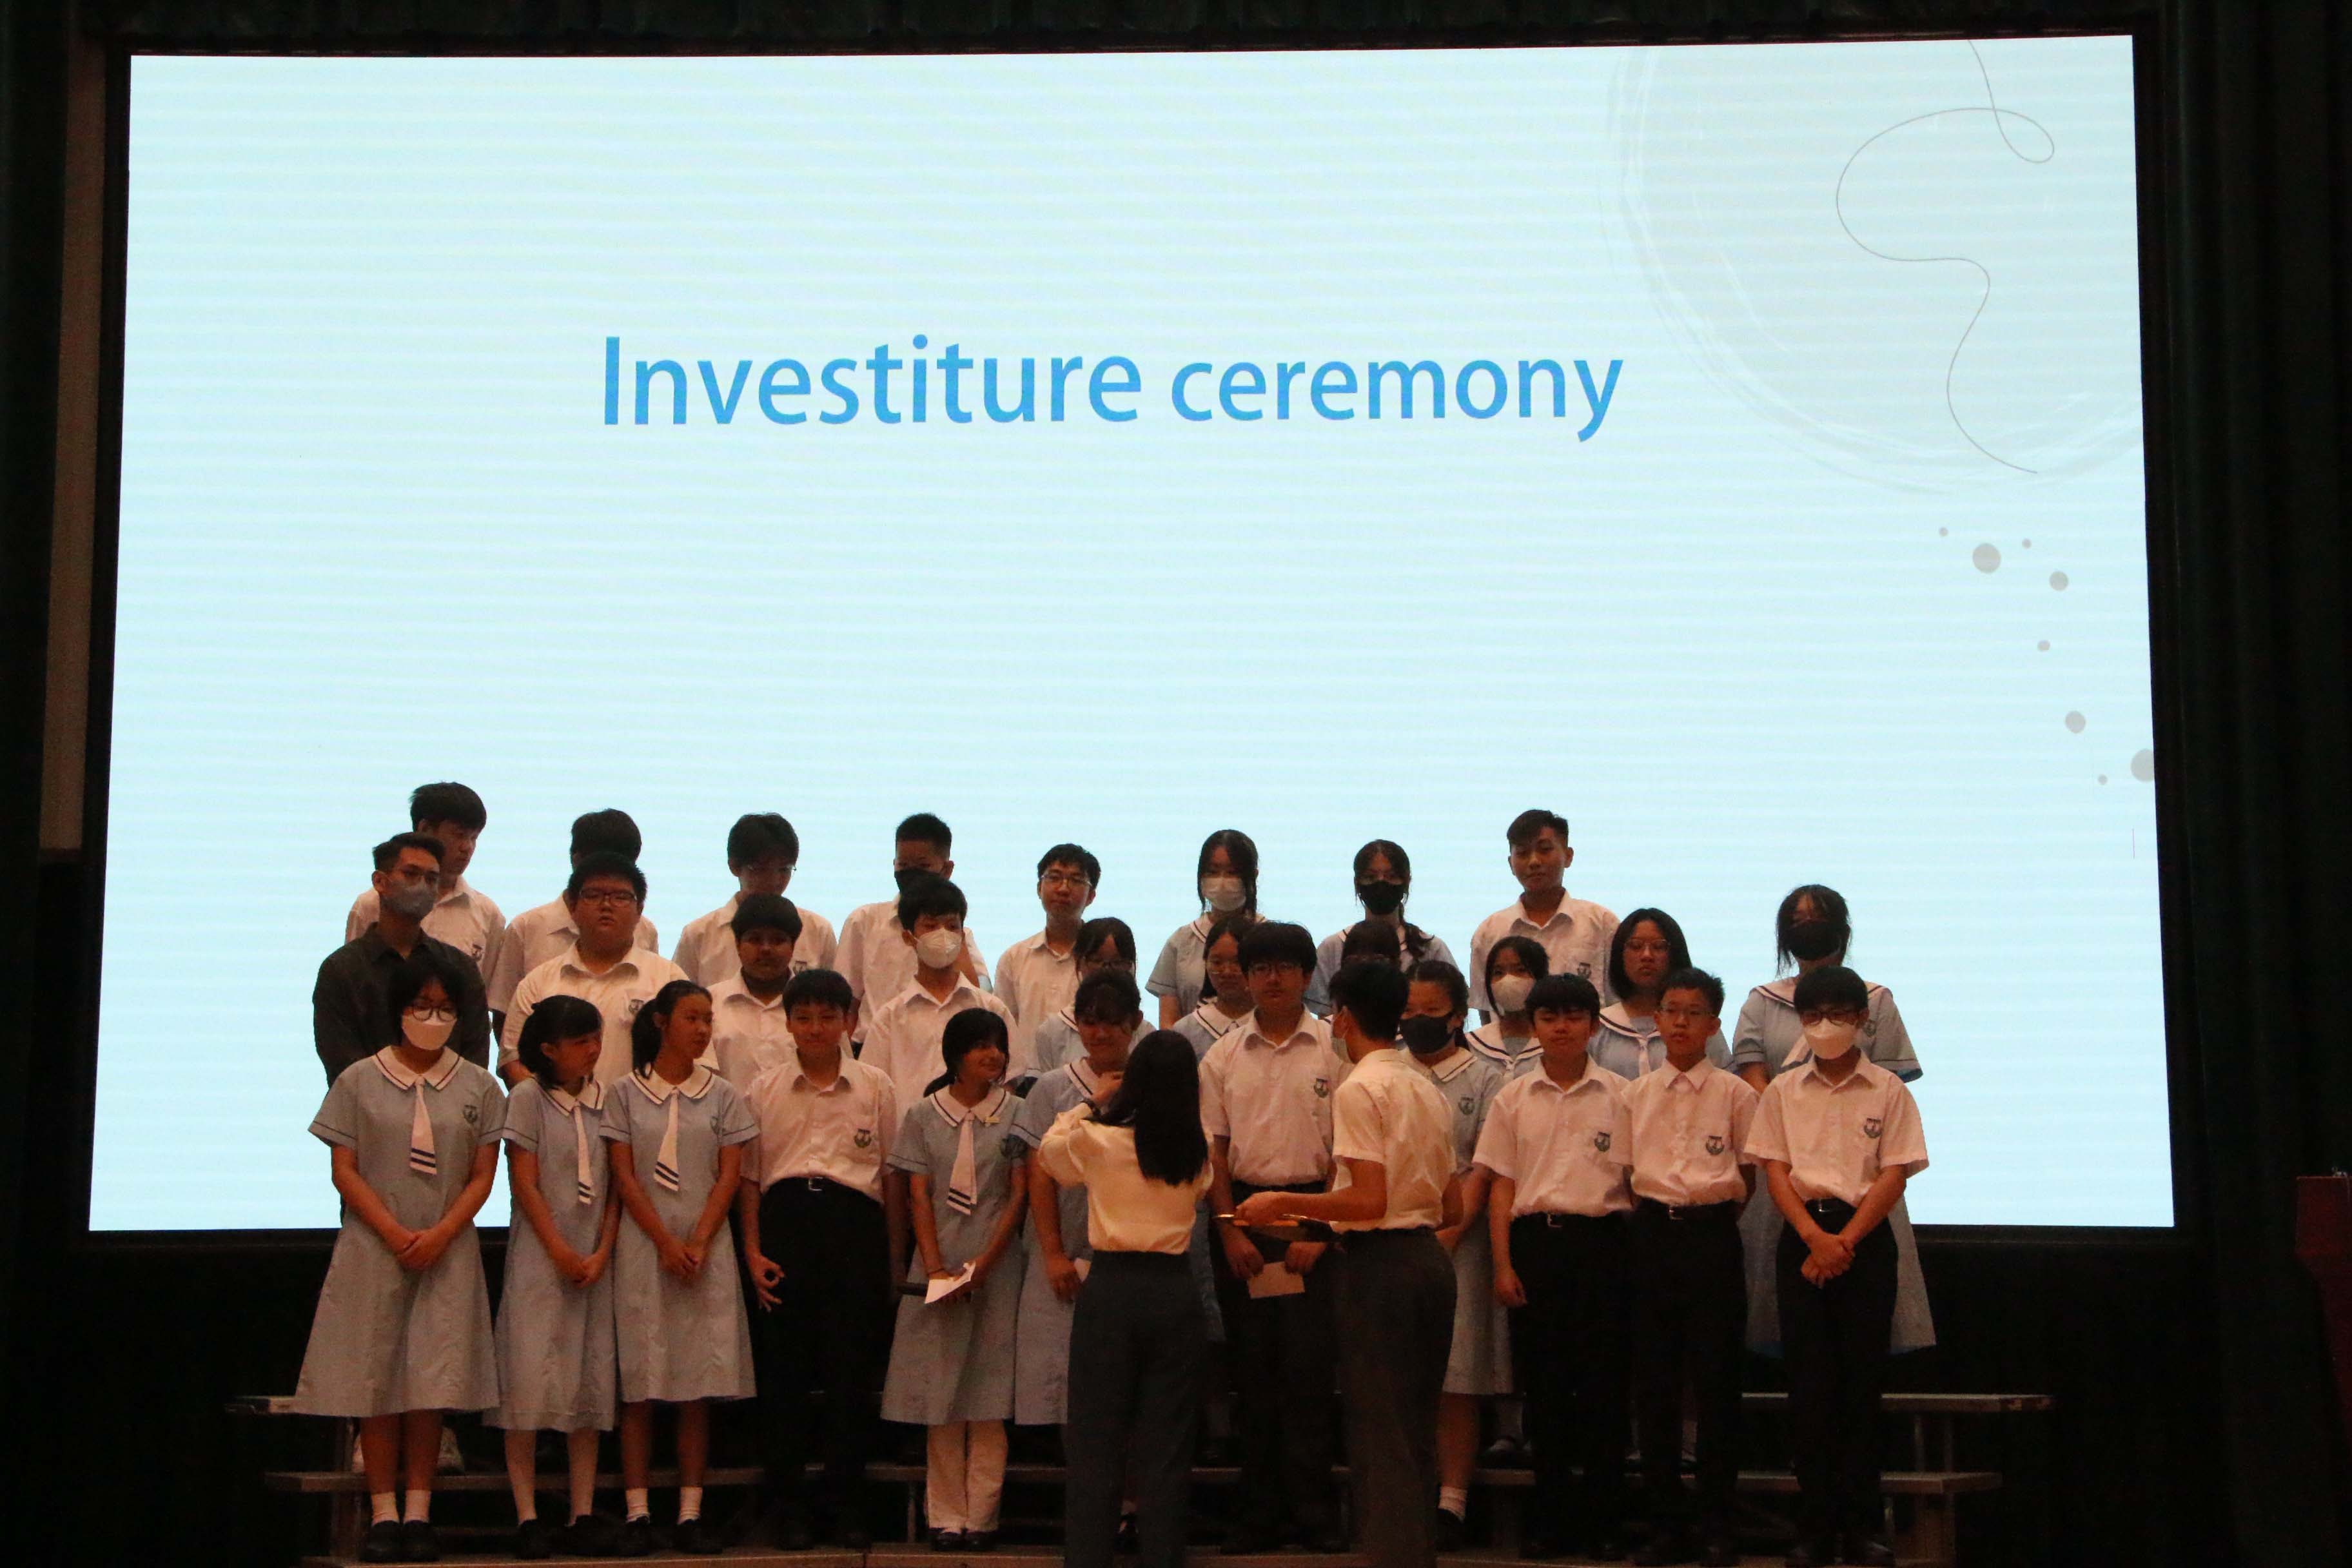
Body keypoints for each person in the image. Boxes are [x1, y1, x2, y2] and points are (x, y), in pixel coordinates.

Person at [1237, 961, 1459, 1568]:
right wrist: (1322, 1219)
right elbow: (1452, 1206)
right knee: (1414, 1430)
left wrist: (1282, 1203)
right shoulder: (1425, 1086)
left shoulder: (1360, 1087)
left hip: (1381, 1266)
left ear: (1345, 1018)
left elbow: (1368, 1200)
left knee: (1380, 1432)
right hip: (1428, 1261)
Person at [289, 948, 505, 1565]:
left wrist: (440, 1233)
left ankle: (419, 1514)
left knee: (430, 1384)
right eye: (420, 1005)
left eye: (444, 1008)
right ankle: (382, 1513)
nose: (432, 1017)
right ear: (398, 1010)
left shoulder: (479, 1086)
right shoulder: (359, 1080)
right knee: (376, 1379)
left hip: (447, 1247)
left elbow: (482, 1176)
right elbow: (344, 1170)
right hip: (373, 1247)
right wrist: (390, 1230)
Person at [1743, 965, 1929, 1568]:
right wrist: (1813, 1238)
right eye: (1813, 1015)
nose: (1825, 1026)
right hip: (1802, 1237)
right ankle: (1816, 1528)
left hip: (1863, 1240)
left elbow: (1895, 1173)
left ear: (1862, 1020)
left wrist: (1843, 1242)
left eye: (1839, 1015)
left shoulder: (1888, 1090)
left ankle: (1862, 1527)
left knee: (1860, 1389)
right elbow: (1775, 1171)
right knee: (1810, 1390)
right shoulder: (1782, 1091)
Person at [1730, 886, 1933, 1356]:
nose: (1808, 927)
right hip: (1789, 1173)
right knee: (1796, 1318)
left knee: (1864, 1329)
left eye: (1818, 918)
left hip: (1864, 1179)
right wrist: (1793, 1123)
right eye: (1797, 921)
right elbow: (1751, 1072)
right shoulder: (1762, 1000)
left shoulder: (1876, 999)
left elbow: (1889, 1081)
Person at [1039, 1032, 1217, 1568]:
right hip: (1173, 1290)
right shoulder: (1198, 1147)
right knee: (1167, 1445)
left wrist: (1092, 1102)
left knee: (1096, 1439)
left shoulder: (1100, 1138)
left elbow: (1051, 1157)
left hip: (1113, 1288)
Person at [738, 968, 900, 1550]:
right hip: (784, 1227)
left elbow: (890, 1177)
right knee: (784, 1376)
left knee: (849, 1376)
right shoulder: (763, 1089)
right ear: (787, 1023)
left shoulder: (876, 1086)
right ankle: (788, 1508)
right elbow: (750, 1180)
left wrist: (894, 1261)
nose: (815, 1028)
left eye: (828, 1017)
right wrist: (752, 1251)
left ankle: (845, 1505)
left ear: (849, 1022)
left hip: (855, 1229)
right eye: (803, 1017)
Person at [1475, 972, 1633, 1560]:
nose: (1561, 1027)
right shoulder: (1513, 1098)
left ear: (1594, 1026)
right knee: (1545, 1392)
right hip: (1535, 1248)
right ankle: (1552, 1522)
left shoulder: (1623, 1095)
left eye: (1573, 1017)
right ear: (1534, 1026)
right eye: (1549, 1017)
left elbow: (1637, 1184)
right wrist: (1502, 1264)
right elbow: (1500, 1186)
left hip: (1604, 1247)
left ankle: (1605, 1524)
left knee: (1604, 1391)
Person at [1199, 920, 1344, 1554]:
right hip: (1247, 1228)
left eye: (1285, 967)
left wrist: (1322, 1229)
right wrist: (1230, 1232)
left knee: (1310, 1379)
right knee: (1253, 1380)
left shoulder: (1335, 1047)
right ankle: (1257, 1516)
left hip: (1315, 1222)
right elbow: (1214, 1150)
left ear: (1308, 974)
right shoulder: (1223, 1055)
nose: (1273, 978)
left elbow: (1351, 1148)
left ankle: (1314, 1515)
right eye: (1261, 968)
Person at [603, 980, 758, 1556]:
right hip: (644, 1248)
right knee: (640, 1384)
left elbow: (729, 1174)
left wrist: (697, 1239)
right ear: (661, 1022)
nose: (702, 1029)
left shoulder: (722, 1095)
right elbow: (624, 1175)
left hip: (704, 1251)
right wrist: (664, 1242)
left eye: (708, 1019)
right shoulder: (624, 1093)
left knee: (696, 1385)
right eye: (691, 1018)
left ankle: (691, 1512)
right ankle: (638, 1512)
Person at [1620, 968, 1758, 1568]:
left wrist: (1706, 1214)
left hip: (1712, 1238)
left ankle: (1717, 1522)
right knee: (1655, 1385)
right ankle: (1666, 1525)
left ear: (1713, 1024)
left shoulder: (1737, 1095)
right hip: (1652, 1236)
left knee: (1717, 1383)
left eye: (1693, 1012)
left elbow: (1748, 1175)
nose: (1680, 1022)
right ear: (1656, 1019)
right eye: (1671, 1010)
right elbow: (1628, 1174)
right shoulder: (1635, 1095)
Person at [880, 1008, 1029, 1551]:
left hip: (998, 1268)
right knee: (940, 1396)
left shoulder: (1018, 1113)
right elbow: (917, 1194)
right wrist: (937, 1266)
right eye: (980, 1045)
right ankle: (945, 1518)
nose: (993, 1055)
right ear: (955, 1054)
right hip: (937, 1266)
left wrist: (985, 1264)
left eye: (998, 1045)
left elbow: (1019, 1194)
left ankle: (982, 1519)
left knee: (989, 1398)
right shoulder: (923, 1114)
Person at [491, 995, 623, 1560]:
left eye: (597, 1038)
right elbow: (524, 1181)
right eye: (580, 1041)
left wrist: (600, 1251)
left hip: (594, 1260)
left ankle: (582, 1512)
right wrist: (560, 1250)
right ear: (548, 1049)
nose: (593, 1049)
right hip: (540, 1259)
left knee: (587, 1382)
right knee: (527, 1380)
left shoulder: (607, 1099)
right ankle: (526, 1515)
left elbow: (618, 1186)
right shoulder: (527, 1098)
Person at [1399, 958, 1508, 1548]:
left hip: (1460, 1243)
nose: (1417, 1021)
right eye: (1408, 1011)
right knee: (1400, 1372)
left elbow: (1484, 1168)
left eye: (1431, 1011)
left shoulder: (1487, 1078)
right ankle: (1406, 1494)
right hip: (1393, 1239)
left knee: (1457, 1374)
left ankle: (1453, 1501)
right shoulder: (1386, 1072)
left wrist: (1447, 1236)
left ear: (1458, 1016)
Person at [1014, 970, 1142, 1434]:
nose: (1100, 1033)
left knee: (1122, 1383)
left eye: (1111, 1022)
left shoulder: (1150, 1085)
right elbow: (1039, 1173)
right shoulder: (1052, 1088)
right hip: (1063, 1247)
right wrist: (1052, 1253)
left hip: (1128, 1253)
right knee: (1061, 1375)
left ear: (1135, 1022)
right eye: (1089, 1022)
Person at [316, 833, 493, 1083]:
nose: (423, 886)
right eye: (411, 874)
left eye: (432, 879)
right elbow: (341, 1060)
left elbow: (475, 1057)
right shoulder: (342, 969)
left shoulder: (460, 967)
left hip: (449, 1103)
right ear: (380, 881)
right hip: (365, 1103)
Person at [499, 854, 687, 1090]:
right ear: (572, 907)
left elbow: (691, 1060)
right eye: (593, 895)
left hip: (645, 1113)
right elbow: (514, 1062)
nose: (606, 905)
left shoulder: (668, 980)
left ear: (639, 910)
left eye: (621, 897)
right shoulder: (538, 982)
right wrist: (563, 1106)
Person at [859, 874, 1014, 1110]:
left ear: (962, 936)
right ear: (908, 937)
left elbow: (1010, 1080)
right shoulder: (890, 1017)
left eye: (952, 926)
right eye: (930, 926)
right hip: (910, 1130)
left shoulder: (990, 1009)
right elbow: (872, 1089)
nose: (942, 935)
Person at [487, 809, 661, 1015]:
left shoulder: (645, 930)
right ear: (577, 860)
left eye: (626, 865)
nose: (616, 875)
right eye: (603, 866)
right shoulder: (527, 928)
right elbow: (504, 1011)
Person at [838, 813, 990, 1039]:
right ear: (894, 864)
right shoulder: (864, 921)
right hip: (873, 1045)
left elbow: (978, 995)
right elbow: (846, 1003)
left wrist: (954, 938)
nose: (911, 873)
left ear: (946, 870)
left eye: (922, 865)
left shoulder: (958, 932)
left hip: (938, 1046)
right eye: (903, 865)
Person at [343, 782, 506, 977]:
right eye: (460, 835)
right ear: (425, 829)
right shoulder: (371, 904)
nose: (467, 847)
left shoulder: (488, 914)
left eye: (474, 838)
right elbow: (351, 976)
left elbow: (484, 991)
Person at [1466, 809, 1620, 1014]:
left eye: (1545, 850)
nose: (1534, 862)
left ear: (1568, 856)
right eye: (1522, 853)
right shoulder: (1490, 932)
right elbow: (1486, 1009)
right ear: (1510, 863)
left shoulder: (1602, 923)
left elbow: (1618, 1003)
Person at [672, 812, 838, 986]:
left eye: (784, 870)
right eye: (761, 869)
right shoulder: (699, 934)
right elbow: (678, 997)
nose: (774, 880)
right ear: (734, 867)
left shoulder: (817, 930)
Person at [1307, 841, 1460, 1014]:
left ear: (1406, 881)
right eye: (1370, 877)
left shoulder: (1430, 948)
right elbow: (1326, 1017)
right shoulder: (1333, 947)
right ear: (1357, 883)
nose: (1381, 883)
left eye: (1391, 876)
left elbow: (1454, 1008)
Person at [995, 843, 1101, 1077]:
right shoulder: (1014, 958)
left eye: (1076, 880)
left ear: (1091, 896)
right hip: (1025, 1082)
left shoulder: (1103, 959)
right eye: (1054, 878)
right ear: (1039, 888)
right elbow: (1001, 1029)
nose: (1063, 888)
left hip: (1090, 1080)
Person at [1591, 909, 1731, 1079]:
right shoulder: (1599, 1027)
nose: (1647, 956)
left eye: (1659, 947)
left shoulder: (1700, 1024)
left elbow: (1724, 1083)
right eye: (1636, 946)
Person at [1148, 828, 1258, 1028]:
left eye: (1233, 872)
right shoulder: (1181, 941)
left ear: (1253, 875)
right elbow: (1168, 1021)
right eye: (1213, 872)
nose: (1222, 880)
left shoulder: (1270, 937)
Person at [1025, 917, 1144, 1081]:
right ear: (1078, 961)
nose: (1106, 971)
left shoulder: (1145, 1031)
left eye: (1118, 962)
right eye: (1097, 961)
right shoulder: (1052, 1031)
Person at [703, 894, 803, 1085]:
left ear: (793, 946)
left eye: (778, 940)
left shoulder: (818, 1007)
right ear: (738, 945)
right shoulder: (710, 1004)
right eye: (755, 939)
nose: (766, 949)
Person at [1170, 912, 1260, 1060]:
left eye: (1237, 962)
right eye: (1217, 962)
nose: (1227, 972)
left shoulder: (1271, 1024)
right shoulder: (1186, 1030)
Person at [1464, 937, 1550, 1080]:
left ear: (1540, 977)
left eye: (1520, 970)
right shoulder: (1472, 1044)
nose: (1508, 980)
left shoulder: (1556, 1041)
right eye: (1498, 973)